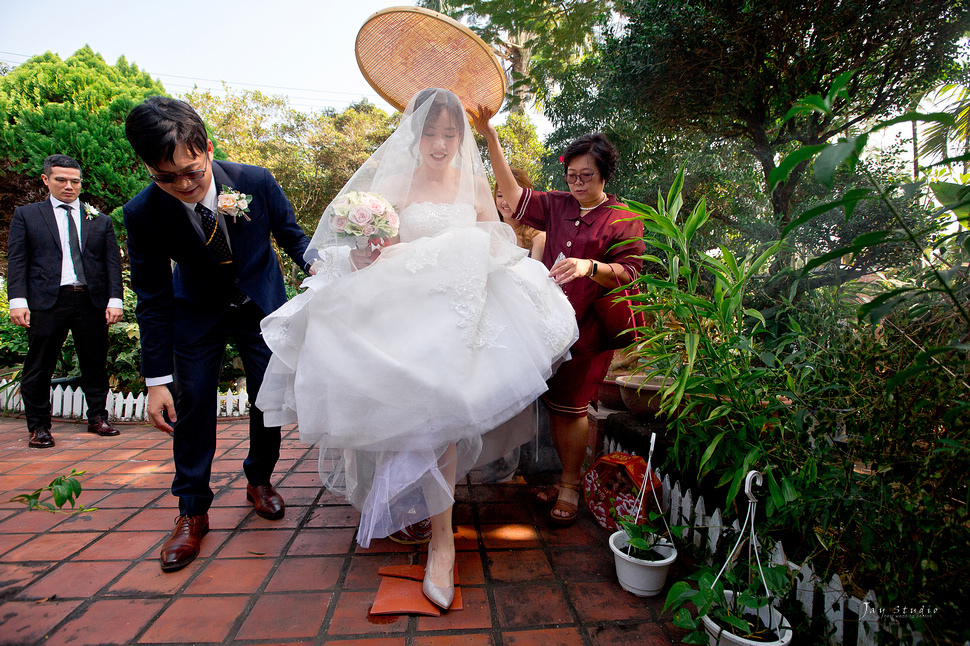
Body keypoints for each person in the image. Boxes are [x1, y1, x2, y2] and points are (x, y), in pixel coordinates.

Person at [256, 88, 578, 609]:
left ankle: (444, 541)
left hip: (457, 314)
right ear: (414, 132)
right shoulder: (390, 182)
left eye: (451, 133)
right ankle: (415, 510)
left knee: (445, 411)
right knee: (401, 410)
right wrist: (365, 253)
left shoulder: (475, 184)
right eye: (431, 132)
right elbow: (365, 248)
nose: (440, 143)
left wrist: (467, 252)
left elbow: (498, 242)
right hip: (400, 313)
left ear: (461, 136)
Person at [122, 96, 312, 573]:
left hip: (259, 307)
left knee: (267, 400)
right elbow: (151, 297)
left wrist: (335, 266)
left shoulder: (254, 181)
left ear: (207, 148)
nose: (183, 186)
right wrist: (155, 381)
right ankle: (191, 511)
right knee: (194, 404)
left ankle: (260, 479)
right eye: (167, 178)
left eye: (193, 172)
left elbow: (293, 238)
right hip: (197, 312)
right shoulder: (143, 213)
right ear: (149, 168)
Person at [472, 108, 646, 527]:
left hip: (587, 328)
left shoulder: (625, 219)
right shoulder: (556, 206)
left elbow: (630, 273)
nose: (577, 183)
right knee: (549, 404)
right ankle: (566, 476)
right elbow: (513, 198)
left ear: (605, 175)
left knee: (571, 408)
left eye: (586, 176)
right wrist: (489, 136)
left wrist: (590, 266)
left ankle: (569, 485)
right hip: (544, 325)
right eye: (571, 174)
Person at [7, 154, 124, 449]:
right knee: (39, 366)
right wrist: (17, 301)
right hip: (47, 301)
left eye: (75, 181)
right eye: (61, 180)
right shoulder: (28, 215)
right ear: (46, 180)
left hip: (90, 300)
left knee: (95, 362)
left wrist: (115, 300)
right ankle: (39, 426)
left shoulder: (99, 220)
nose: (69, 186)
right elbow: (18, 261)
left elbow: (112, 263)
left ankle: (98, 416)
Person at [494, 168, 545, 260]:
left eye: (511, 196)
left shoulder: (538, 237)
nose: (505, 202)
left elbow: (535, 272)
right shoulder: (491, 231)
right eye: (500, 196)